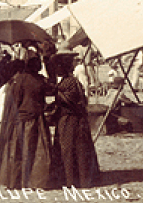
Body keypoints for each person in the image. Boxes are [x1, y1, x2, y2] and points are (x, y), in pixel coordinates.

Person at [0, 56, 55, 190]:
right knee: (35, 151)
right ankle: (34, 181)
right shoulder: (41, 81)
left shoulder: (20, 80)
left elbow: (16, 102)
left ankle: (16, 181)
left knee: (18, 150)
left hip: (21, 121)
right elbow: (46, 97)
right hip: (37, 120)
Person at [50, 52, 99, 188]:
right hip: (71, 119)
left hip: (70, 120)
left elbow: (70, 99)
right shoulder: (68, 81)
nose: (57, 70)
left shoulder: (70, 82)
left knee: (69, 149)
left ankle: (71, 179)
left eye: (59, 67)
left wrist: (57, 94)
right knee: (76, 149)